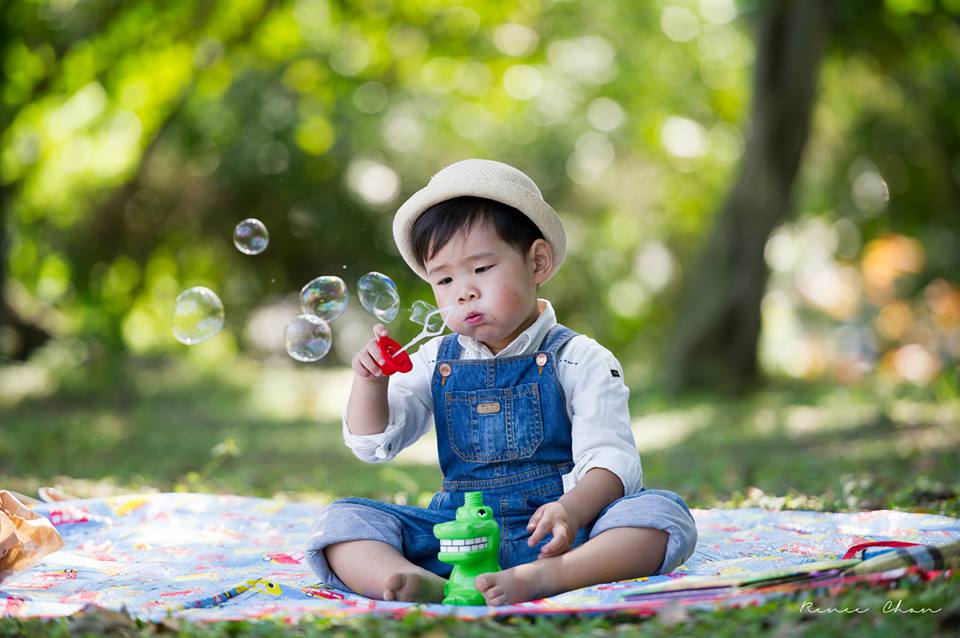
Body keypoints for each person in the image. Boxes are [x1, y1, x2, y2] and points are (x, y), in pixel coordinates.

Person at [306, 159, 697, 606]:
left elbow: (611, 460)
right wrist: (371, 385)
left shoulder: (579, 358)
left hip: (556, 533)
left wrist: (570, 511)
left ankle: (547, 578)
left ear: (538, 262)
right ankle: (418, 581)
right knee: (342, 523)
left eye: (482, 268)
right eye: (445, 279)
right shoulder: (435, 359)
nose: (464, 291)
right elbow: (374, 442)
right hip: (459, 536)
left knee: (660, 514)